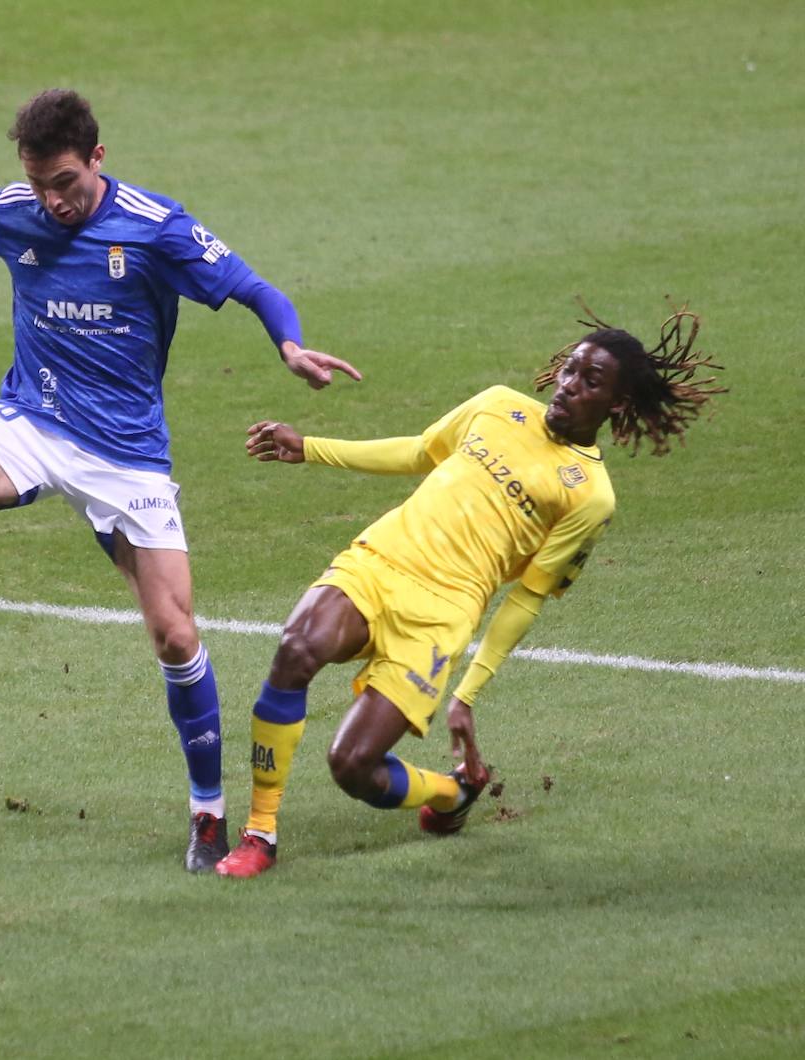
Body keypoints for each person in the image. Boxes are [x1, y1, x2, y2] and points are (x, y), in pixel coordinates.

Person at [0, 88, 361, 873]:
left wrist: (289, 344)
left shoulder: (155, 228)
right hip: (33, 420)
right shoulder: (17, 209)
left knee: (176, 635)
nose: (54, 201)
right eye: (41, 184)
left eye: (67, 183)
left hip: (126, 458)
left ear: (99, 159)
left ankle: (209, 815)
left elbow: (252, 286)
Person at [214, 305, 724, 877]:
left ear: (618, 404)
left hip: (441, 615)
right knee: (296, 649)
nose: (569, 386)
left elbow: (528, 596)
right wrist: (308, 446)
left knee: (354, 767)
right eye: (570, 369)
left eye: (591, 382)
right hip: (383, 560)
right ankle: (260, 832)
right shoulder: (497, 405)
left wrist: (469, 694)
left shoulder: (590, 496)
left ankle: (452, 794)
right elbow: (418, 451)